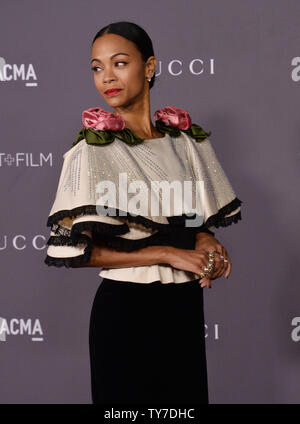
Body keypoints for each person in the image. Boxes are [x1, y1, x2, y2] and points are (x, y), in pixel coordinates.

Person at [44, 21, 243, 405]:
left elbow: (193, 223)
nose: (106, 78)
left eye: (119, 63)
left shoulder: (186, 143)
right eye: (96, 67)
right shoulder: (93, 151)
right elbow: (78, 251)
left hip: (184, 308)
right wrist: (167, 253)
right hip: (126, 311)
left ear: (149, 67)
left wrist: (207, 242)